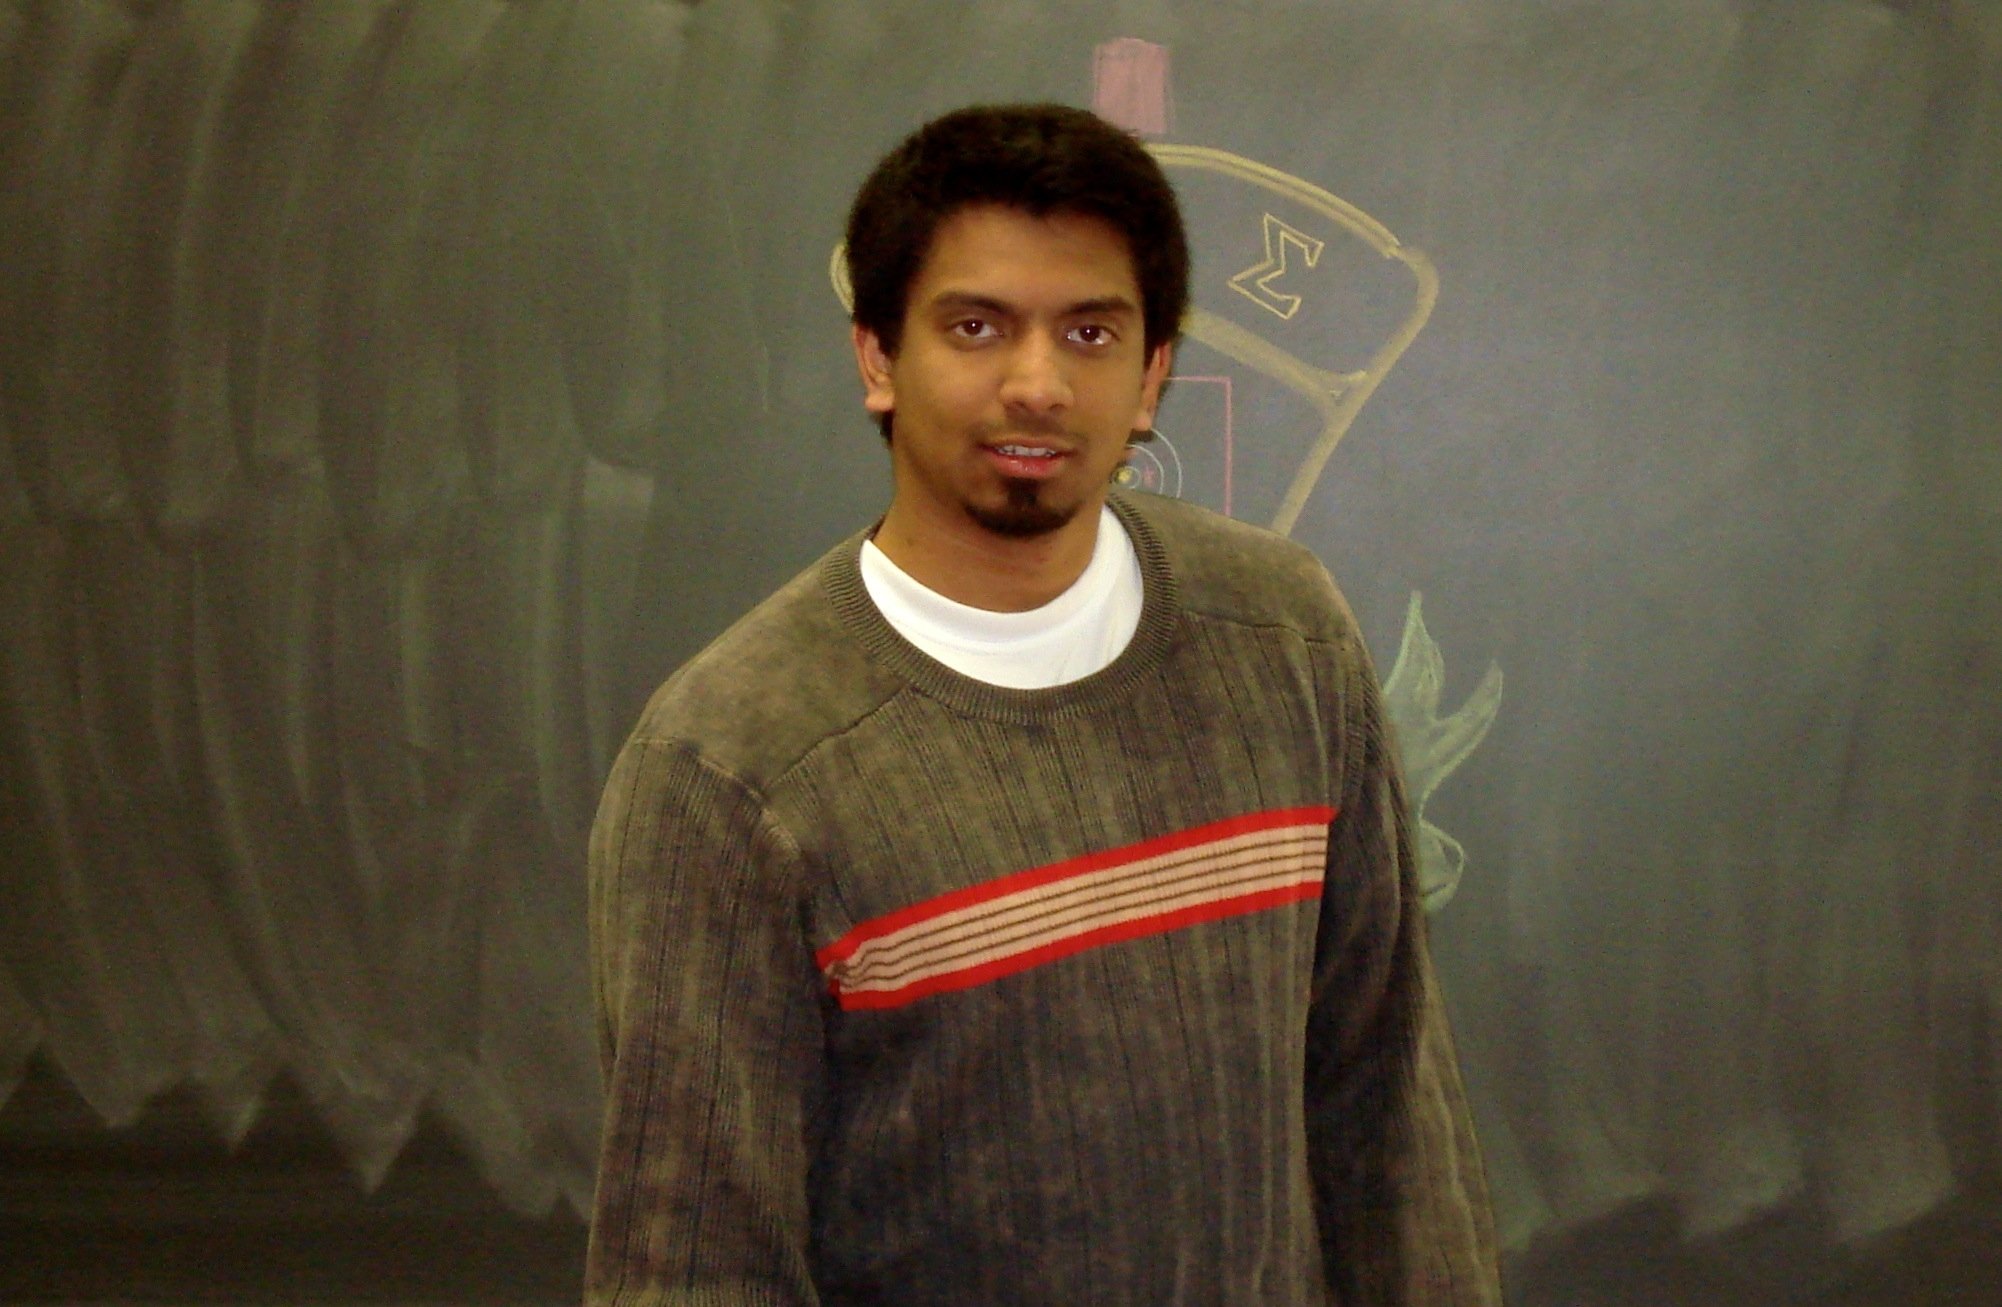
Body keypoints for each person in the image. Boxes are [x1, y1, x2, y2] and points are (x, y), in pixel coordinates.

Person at [586, 103, 1502, 1305]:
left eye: (1089, 331)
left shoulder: (1284, 637)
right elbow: (696, 1267)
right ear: (876, 359)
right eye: (975, 327)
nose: (1036, 384)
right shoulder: (728, 765)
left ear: (1152, 374)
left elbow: (1387, 1115)